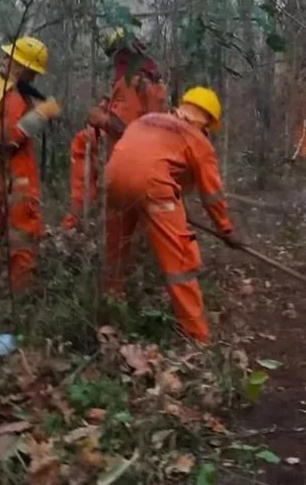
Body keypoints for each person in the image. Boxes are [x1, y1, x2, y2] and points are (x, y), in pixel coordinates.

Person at [103, 87, 238, 344]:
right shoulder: (197, 139)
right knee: (180, 266)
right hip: (152, 186)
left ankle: (111, 312)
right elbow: (213, 196)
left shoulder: (146, 120)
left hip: (113, 182)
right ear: (205, 120)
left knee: (116, 254)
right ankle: (199, 339)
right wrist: (226, 230)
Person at [0, 36, 62, 289]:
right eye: (32, 73)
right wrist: (42, 114)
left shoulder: (2, 91)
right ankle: (22, 300)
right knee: (23, 246)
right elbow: (7, 138)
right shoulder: (12, 96)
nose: (33, 79)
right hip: (16, 185)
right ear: (22, 68)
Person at [88, 27, 167, 152]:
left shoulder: (128, 81)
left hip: (130, 159)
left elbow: (125, 127)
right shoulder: (153, 80)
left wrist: (100, 119)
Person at [61, 100, 107, 232]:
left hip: (88, 155)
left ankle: (77, 227)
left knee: (91, 195)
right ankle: (68, 229)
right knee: (81, 196)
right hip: (82, 156)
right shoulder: (94, 130)